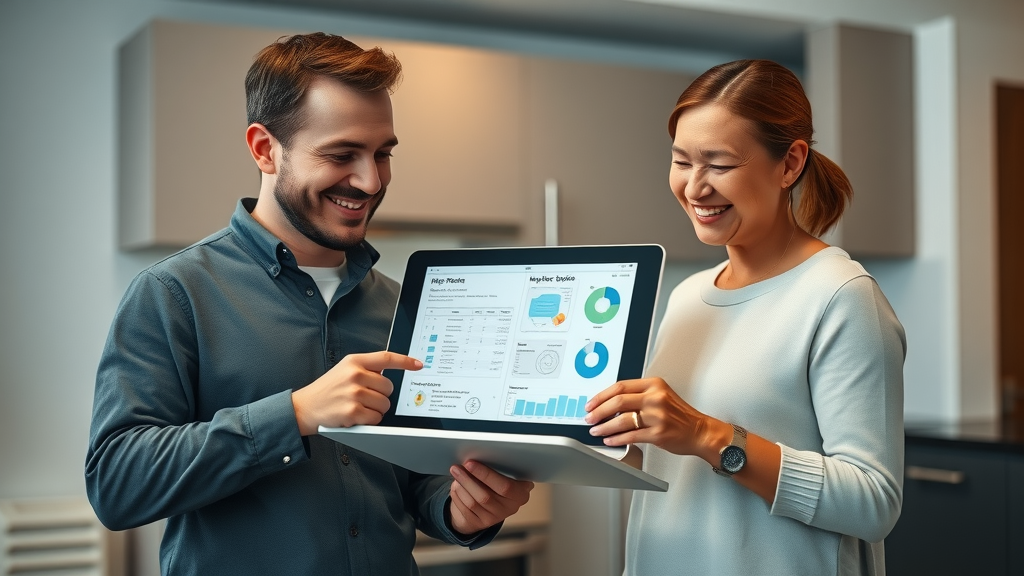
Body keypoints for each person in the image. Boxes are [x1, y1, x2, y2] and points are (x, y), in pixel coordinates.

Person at [85, 32, 533, 575]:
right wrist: (295, 414)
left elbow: (416, 483)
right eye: (342, 154)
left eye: (383, 154)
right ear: (264, 149)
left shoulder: (404, 306)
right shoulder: (174, 293)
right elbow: (117, 484)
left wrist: (463, 510)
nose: (371, 181)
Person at [584, 59, 906, 575]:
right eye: (681, 161)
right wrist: (591, 436)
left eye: (719, 164)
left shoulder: (842, 297)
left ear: (789, 163)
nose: (693, 188)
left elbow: (873, 502)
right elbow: (681, 466)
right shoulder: (688, 295)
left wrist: (709, 435)